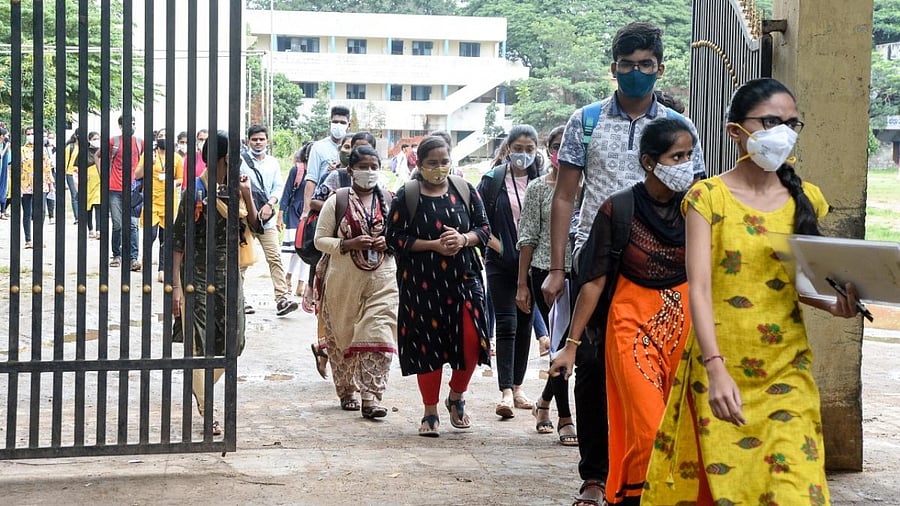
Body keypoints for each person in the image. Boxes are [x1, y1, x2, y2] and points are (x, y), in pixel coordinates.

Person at [642, 78, 861, 505]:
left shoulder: (807, 199)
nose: (782, 132)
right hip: (721, 367)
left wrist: (834, 306)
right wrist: (716, 368)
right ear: (735, 131)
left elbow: (793, 285)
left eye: (791, 123)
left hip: (787, 367)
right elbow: (700, 289)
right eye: (770, 121)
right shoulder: (708, 197)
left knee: (796, 489)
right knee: (730, 489)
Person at [541, 22, 706, 506]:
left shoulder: (682, 126)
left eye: (646, 65)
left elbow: (694, 196)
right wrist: (556, 267)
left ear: (660, 68)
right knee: (592, 363)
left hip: (662, 263)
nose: (637, 73)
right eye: (628, 65)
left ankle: (650, 468)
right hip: (596, 260)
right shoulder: (585, 121)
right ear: (614, 68)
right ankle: (595, 475)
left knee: (658, 367)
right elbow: (565, 196)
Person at [385, 137, 492, 437]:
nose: (439, 168)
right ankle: (429, 411)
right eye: (432, 163)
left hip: (464, 281)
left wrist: (463, 239)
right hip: (421, 287)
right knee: (427, 347)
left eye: (444, 161)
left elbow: (484, 229)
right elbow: (393, 237)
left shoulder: (465, 190)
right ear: (419, 164)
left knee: (472, 341)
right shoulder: (408, 194)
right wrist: (432, 245)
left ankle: (456, 396)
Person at [171, 130, 258, 437]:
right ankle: (208, 408)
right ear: (221, 159)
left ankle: (203, 386)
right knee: (198, 344)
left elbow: (256, 227)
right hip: (198, 279)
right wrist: (177, 289)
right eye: (233, 158)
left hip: (229, 278)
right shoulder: (195, 192)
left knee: (233, 342)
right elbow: (178, 242)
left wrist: (246, 194)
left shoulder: (235, 190)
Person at [314, 145, 398, 419]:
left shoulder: (388, 199)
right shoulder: (336, 200)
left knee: (379, 332)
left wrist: (390, 242)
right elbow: (320, 240)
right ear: (351, 170)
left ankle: (370, 397)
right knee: (344, 335)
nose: (369, 172)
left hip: (383, 279)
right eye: (363, 167)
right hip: (343, 282)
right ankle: (347, 389)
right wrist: (349, 243)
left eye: (374, 167)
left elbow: (402, 238)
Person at [515, 125, 577, 445]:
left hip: (580, 273)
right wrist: (522, 284)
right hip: (544, 276)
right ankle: (565, 417)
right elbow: (526, 237)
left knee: (572, 346)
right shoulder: (539, 188)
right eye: (555, 146)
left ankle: (543, 402)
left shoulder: (587, 186)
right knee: (558, 346)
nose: (560, 152)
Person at [478, 124, 542, 418]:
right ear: (507, 149)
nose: (523, 155)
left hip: (533, 265)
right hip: (500, 264)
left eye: (529, 149)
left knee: (525, 323)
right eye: (518, 149)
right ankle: (504, 391)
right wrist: (500, 248)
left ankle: (518, 386)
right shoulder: (492, 181)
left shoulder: (541, 181)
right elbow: (478, 221)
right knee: (506, 323)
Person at [239, 124, 297, 316]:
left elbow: (278, 187)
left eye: (261, 139)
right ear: (249, 141)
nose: (258, 142)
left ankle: (282, 298)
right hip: (245, 218)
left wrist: (270, 204)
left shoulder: (273, 162)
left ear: (267, 141)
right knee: (242, 261)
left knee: (274, 258)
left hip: (267, 219)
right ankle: (240, 299)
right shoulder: (241, 161)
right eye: (254, 139)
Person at [136, 128, 183, 283]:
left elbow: (180, 179)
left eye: (166, 136)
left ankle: (162, 268)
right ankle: (146, 260)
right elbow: (137, 175)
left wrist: (171, 182)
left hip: (169, 201)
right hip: (151, 200)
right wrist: (149, 163)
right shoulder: (149, 155)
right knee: (151, 234)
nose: (163, 138)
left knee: (166, 236)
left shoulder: (176, 158)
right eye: (161, 136)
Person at [102, 115, 145, 269]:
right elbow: (98, 156)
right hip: (115, 189)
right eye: (128, 123)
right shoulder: (114, 141)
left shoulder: (140, 143)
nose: (131, 126)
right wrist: (104, 176)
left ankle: (133, 259)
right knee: (118, 224)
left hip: (134, 190)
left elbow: (147, 161)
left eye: (133, 123)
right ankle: (116, 255)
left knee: (133, 225)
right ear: (120, 126)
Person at [302, 106, 350, 220]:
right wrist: (306, 210)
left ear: (349, 125)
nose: (338, 125)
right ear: (330, 123)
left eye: (342, 122)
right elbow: (311, 179)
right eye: (335, 122)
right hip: (322, 204)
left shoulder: (355, 146)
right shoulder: (318, 147)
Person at [278, 142, 312, 298]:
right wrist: (280, 214)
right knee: (295, 249)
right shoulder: (296, 170)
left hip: (311, 211)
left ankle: (300, 283)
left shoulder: (321, 171)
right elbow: (286, 193)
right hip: (295, 212)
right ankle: (290, 277)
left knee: (304, 250)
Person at [20, 126, 54, 249]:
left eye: (32, 133)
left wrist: (51, 184)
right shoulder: (22, 150)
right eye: (28, 134)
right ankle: (28, 239)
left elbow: (47, 168)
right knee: (27, 212)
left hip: (41, 184)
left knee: (41, 211)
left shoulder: (42, 150)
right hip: (25, 185)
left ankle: (38, 238)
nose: (30, 136)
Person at [84, 132, 102, 239]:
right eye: (95, 139)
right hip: (88, 183)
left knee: (98, 205)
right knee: (88, 207)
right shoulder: (84, 153)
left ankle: (98, 229)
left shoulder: (102, 152)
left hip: (99, 181)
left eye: (98, 138)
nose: (97, 141)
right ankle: (90, 228)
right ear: (89, 139)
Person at [63, 130, 83, 223]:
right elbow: (65, 162)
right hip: (71, 173)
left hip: (82, 174)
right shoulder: (70, 147)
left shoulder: (85, 148)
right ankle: (77, 217)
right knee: (75, 194)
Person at [0, 127, 10, 219]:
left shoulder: (4, 146)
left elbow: (9, 161)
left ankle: (2, 212)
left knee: (3, 191)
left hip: (2, 173)